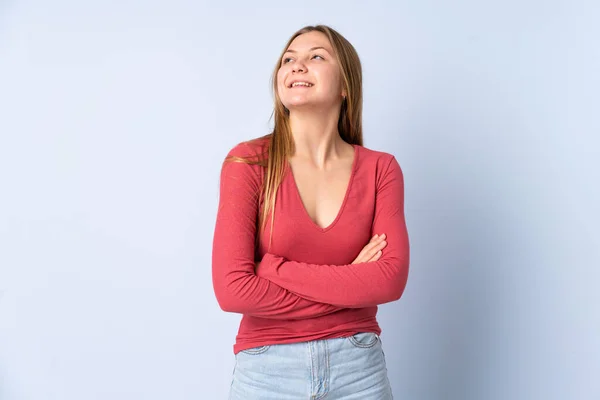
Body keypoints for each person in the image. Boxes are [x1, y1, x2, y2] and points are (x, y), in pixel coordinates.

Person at [212, 24, 410, 399]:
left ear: (345, 85)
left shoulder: (380, 169)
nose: (297, 65)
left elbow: (388, 281)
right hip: (267, 372)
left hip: (359, 370)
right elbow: (233, 290)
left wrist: (275, 269)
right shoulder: (248, 162)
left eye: (316, 56)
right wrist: (351, 281)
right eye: (289, 59)